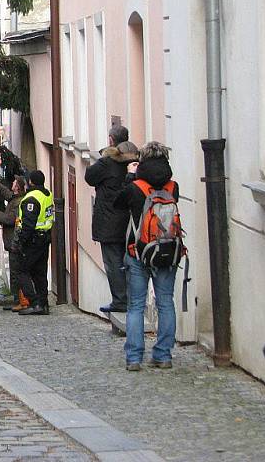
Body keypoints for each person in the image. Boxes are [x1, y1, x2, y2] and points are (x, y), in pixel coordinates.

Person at [114, 141, 180, 371]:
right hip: (167, 251)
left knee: (136, 306)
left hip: (138, 252)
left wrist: (130, 177)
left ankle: (134, 357)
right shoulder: (173, 187)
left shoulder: (136, 187)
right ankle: (163, 355)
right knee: (165, 302)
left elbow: (118, 203)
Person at [84, 127, 138, 314]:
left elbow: (89, 176)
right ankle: (133, 297)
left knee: (113, 262)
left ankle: (120, 300)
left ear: (111, 140)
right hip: (131, 219)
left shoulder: (108, 162)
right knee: (130, 260)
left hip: (109, 219)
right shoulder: (136, 161)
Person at [0, 174, 31, 311]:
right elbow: (7, 194)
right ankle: (17, 299)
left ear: (17, 187)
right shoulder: (16, 198)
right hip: (12, 240)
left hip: (15, 241)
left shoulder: (19, 202)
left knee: (16, 272)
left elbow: (9, 219)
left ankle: (18, 299)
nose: (12, 184)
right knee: (15, 271)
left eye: (14, 182)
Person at [10, 170, 55, 316]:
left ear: (31, 182)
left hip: (33, 239)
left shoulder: (31, 199)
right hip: (44, 237)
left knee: (21, 271)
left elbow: (28, 224)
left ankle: (35, 302)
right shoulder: (47, 194)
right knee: (39, 272)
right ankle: (43, 303)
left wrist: (21, 242)